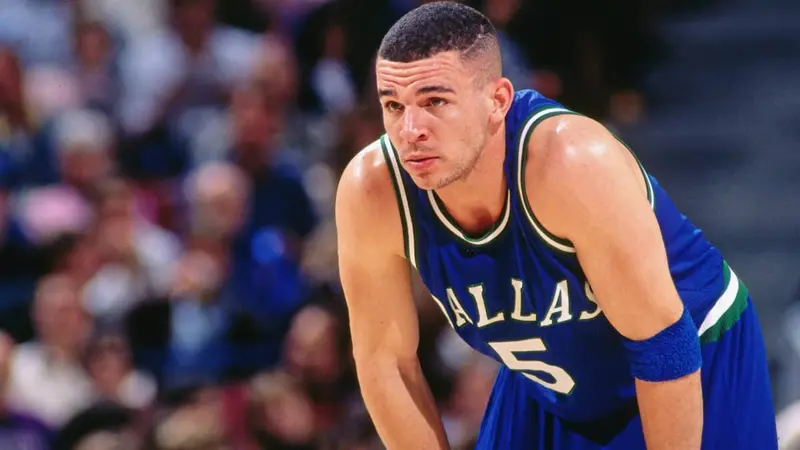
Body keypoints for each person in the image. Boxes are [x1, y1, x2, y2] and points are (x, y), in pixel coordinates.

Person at [334, 2, 778, 449]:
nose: (410, 130)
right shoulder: (372, 191)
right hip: (554, 381)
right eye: (393, 106)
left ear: (497, 101)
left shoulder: (571, 164)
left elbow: (661, 341)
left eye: (435, 102)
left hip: (691, 353)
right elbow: (385, 362)